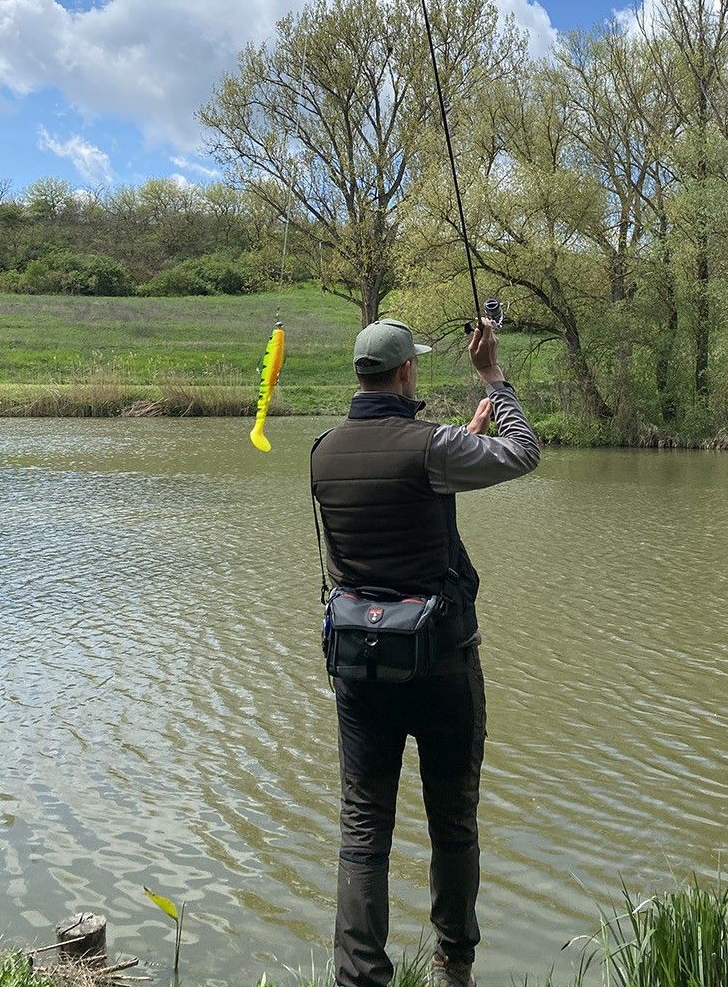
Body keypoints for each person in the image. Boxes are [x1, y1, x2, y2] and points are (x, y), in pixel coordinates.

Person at [311, 316, 540, 987]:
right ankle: (453, 968)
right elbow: (523, 452)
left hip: (360, 670)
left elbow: (391, 505)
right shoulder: (430, 448)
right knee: (452, 822)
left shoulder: (324, 451)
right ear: (407, 372)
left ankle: (360, 977)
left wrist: (457, 443)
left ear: (360, 375)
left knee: (362, 828)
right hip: (440, 665)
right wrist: (493, 378)